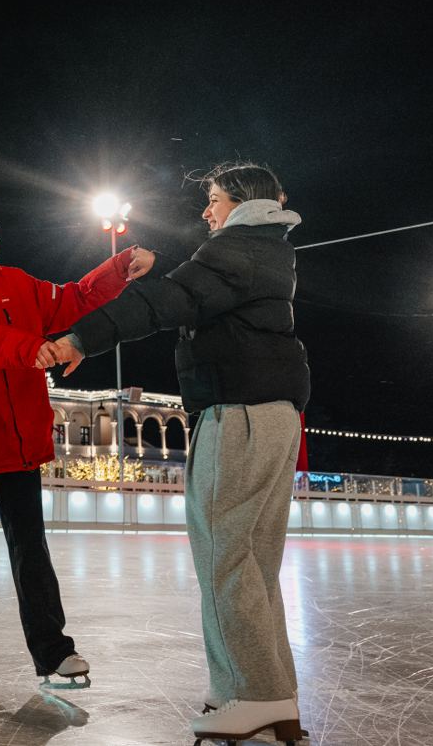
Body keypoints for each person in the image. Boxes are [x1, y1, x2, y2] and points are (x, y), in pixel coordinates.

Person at [51, 163, 309, 743]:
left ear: (241, 202)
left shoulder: (237, 248)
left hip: (238, 411)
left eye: (214, 199)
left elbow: (168, 300)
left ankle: (254, 694)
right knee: (253, 563)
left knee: (226, 558)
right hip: (273, 412)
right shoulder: (265, 249)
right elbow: (205, 289)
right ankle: (267, 694)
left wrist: (81, 338)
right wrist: (165, 266)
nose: (206, 211)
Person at [0, 184, 153, 692]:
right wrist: (30, 349)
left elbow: (74, 299)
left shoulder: (16, 283)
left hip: (17, 432)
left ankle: (53, 652)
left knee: (31, 546)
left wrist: (119, 267)